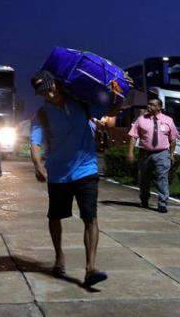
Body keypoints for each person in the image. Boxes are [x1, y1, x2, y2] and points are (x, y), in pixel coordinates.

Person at [30, 70, 119, 288]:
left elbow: (110, 112)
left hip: (86, 170)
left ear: (56, 85)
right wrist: (38, 164)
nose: (48, 95)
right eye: (42, 93)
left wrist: (119, 92)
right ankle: (59, 256)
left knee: (90, 217)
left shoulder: (81, 103)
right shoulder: (42, 114)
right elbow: (35, 144)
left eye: (49, 90)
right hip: (58, 172)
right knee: (55, 217)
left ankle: (90, 269)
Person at [127, 98, 180, 213]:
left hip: (162, 153)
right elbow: (133, 136)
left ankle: (162, 203)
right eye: (149, 104)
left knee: (162, 178)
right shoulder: (141, 120)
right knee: (144, 179)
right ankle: (144, 199)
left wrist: (171, 154)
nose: (149, 106)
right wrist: (130, 152)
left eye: (152, 105)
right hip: (145, 153)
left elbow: (173, 139)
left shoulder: (168, 120)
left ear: (159, 107)